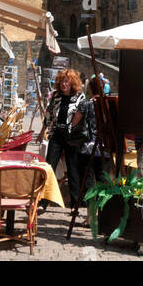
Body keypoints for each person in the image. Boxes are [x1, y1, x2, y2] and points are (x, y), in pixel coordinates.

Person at [44, 69, 87, 205]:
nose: (64, 84)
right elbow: (49, 115)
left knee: (73, 168)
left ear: (72, 82)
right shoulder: (56, 96)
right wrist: (42, 133)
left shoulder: (80, 97)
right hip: (57, 134)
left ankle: (75, 202)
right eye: (62, 81)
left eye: (67, 81)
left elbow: (83, 118)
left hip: (72, 137)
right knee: (49, 166)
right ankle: (44, 201)